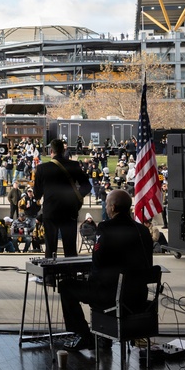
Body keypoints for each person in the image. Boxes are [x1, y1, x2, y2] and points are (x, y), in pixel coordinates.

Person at [58, 189, 154, 351]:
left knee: (66, 286)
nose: (107, 208)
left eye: (108, 205)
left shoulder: (105, 228)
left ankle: (85, 335)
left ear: (114, 207)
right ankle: (103, 336)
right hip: (137, 298)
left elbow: (98, 262)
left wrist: (87, 278)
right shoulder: (143, 231)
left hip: (111, 296)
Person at [33, 139, 92, 259]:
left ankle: (49, 276)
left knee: (50, 248)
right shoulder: (73, 165)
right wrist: (77, 198)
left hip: (51, 211)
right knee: (70, 248)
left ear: (51, 151)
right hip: (69, 210)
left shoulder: (42, 168)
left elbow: (37, 194)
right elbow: (87, 186)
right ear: (63, 150)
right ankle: (70, 276)